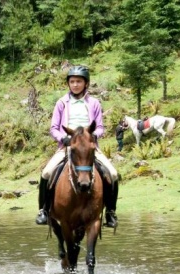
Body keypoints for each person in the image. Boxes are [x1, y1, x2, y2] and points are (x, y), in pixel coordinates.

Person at [34, 65, 118, 228]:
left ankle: (110, 212)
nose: (75, 85)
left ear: (86, 83)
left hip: (88, 147)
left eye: (79, 81)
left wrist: (92, 137)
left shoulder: (94, 103)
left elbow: (100, 127)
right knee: (46, 173)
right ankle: (43, 210)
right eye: (72, 81)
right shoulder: (61, 103)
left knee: (113, 174)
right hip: (67, 146)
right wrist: (63, 138)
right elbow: (54, 128)